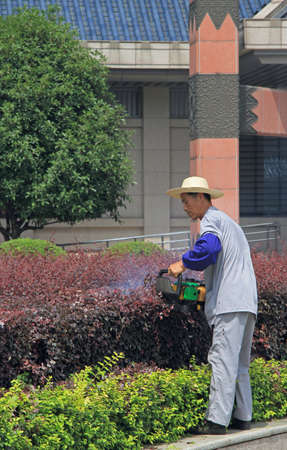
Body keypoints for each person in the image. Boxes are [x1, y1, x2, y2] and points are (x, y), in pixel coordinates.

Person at [167, 176, 258, 434]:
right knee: (239, 364)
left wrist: (182, 264)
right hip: (247, 302)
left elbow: (208, 249)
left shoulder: (211, 221)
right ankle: (243, 417)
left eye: (186, 201)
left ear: (200, 197)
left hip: (230, 304)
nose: (184, 207)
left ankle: (216, 422)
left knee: (221, 361)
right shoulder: (230, 223)